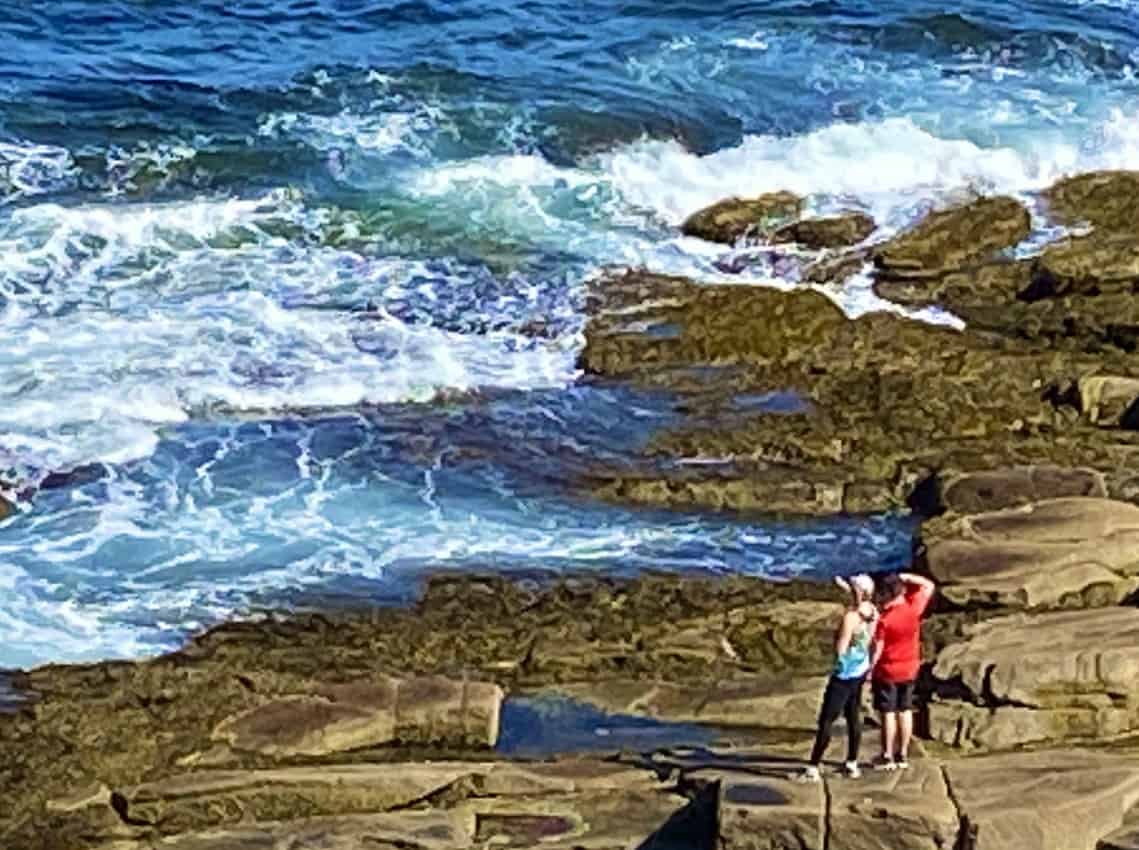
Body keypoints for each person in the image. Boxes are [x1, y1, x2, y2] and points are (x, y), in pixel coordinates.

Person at [799, 573, 877, 783]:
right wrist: (843, 585)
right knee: (853, 716)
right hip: (860, 669)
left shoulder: (850, 618)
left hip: (844, 674)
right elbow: (860, 600)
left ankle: (813, 767)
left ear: (858, 592)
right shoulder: (872, 611)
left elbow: (841, 647)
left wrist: (836, 660)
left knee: (827, 720)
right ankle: (852, 762)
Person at [869, 571, 936, 771]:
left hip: (888, 669)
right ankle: (903, 753)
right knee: (905, 709)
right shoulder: (912, 609)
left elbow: (878, 649)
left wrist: (869, 670)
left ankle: (887, 754)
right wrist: (907, 577)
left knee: (888, 712)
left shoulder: (885, 620)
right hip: (910, 667)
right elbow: (928, 586)